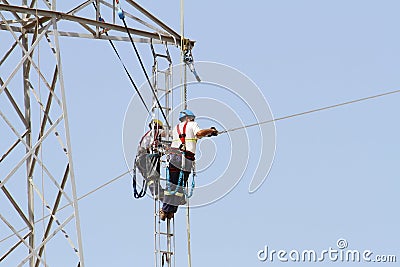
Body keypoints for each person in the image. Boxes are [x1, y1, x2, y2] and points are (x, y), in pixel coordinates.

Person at [160, 109, 218, 220]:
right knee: (180, 185)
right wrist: (211, 130)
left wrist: (208, 134)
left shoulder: (176, 128)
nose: (194, 120)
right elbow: (199, 133)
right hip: (185, 158)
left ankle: (167, 210)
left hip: (174, 157)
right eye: (192, 118)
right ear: (188, 118)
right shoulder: (192, 124)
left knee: (172, 184)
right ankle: (169, 210)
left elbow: (193, 136)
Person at [134, 119, 165, 200]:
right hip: (145, 158)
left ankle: (157, 193)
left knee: (150, 178)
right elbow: (166, 134)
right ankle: (157, 193)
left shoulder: (147, 135)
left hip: (139, 160)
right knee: (153, 175)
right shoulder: (155, 132)